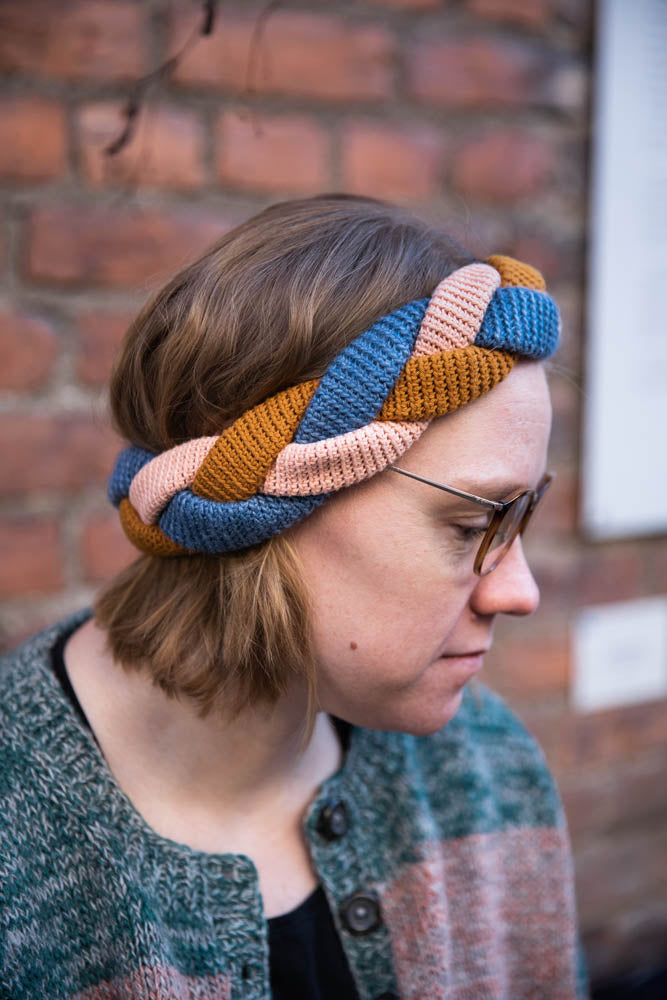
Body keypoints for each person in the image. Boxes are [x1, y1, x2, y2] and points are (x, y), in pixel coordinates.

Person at [0, 195, 587, 999]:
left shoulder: (485, 768)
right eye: (469, 525)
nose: (518, 592)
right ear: (266, 505)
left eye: (523, 514)